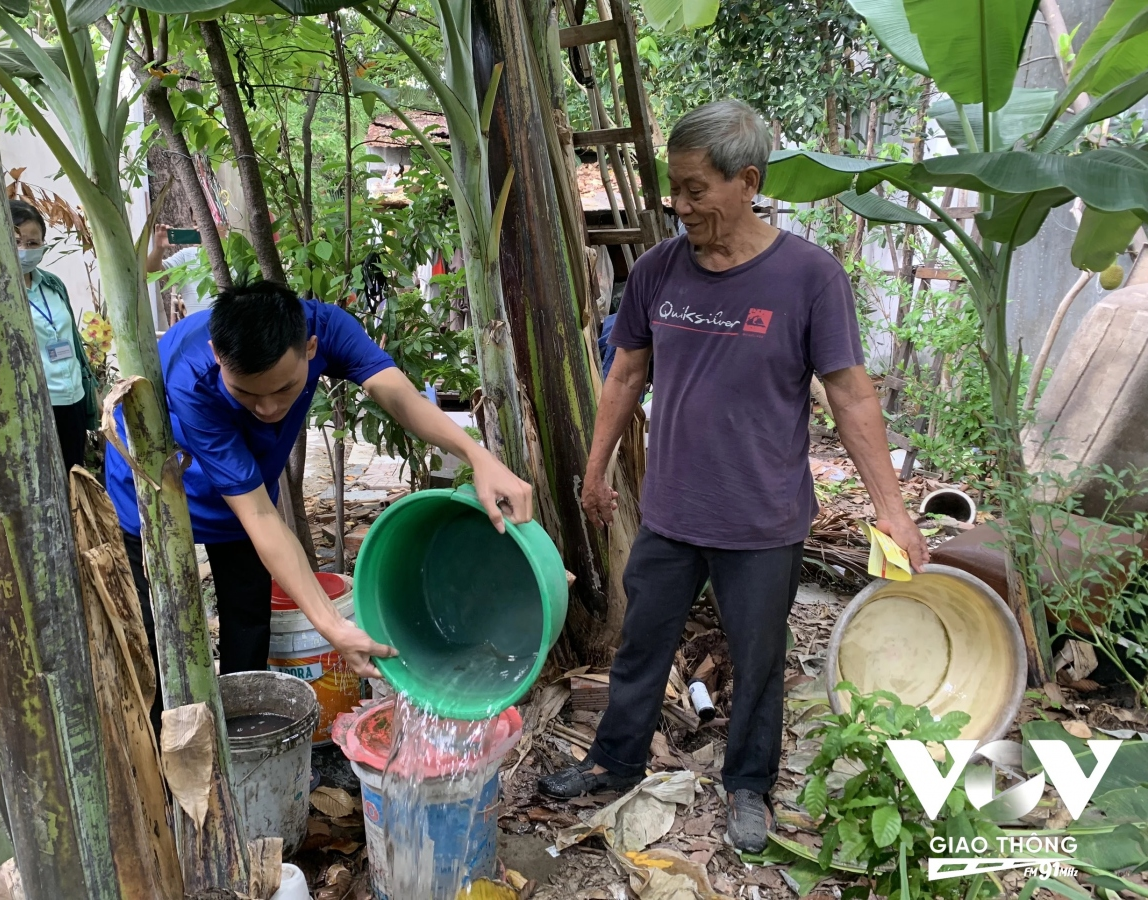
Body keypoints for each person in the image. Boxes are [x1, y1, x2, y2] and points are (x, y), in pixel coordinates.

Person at [536, 101, 929, 853]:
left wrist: (894, 510)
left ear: (746, 181)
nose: (678, 206)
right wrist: (595, 471)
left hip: (762, 519)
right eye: (673, 190)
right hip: (671, 512)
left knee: (759, 663)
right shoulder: (658, 270)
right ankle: (614, 763)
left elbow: (850, 393)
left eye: (694, 190)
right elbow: (623, 375)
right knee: (641, 649)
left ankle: (748, 785)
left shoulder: (809, 276)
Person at [105, 280, 533, 725]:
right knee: (154, 629)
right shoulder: (191, 379)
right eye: (247, 394)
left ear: (310, 348)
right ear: (217, 356)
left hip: (246, 488)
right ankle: (157, 743)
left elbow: (398, 396)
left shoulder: (326, 327)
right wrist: (331, 627)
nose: (269, 408)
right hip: (155, 493)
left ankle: (241, 735)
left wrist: (478, 456)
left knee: (248, 613)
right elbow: (256, 513)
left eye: (285, 389)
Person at [10, 199, 99, 470]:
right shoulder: (0, 292)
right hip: (34, 404)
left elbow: (71, 338)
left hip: (72, 398)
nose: (25, 250)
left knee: (74, 478)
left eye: (33, 243)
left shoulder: (52, 284)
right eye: (16, 241)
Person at [147, 222, 228, 315]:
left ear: (226, 225)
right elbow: (152, 272)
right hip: (196, 326)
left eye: (208, 222)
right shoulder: (186, 256)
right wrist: (159, 248)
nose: (198, 228)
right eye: (195, 223)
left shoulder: (238, 255)